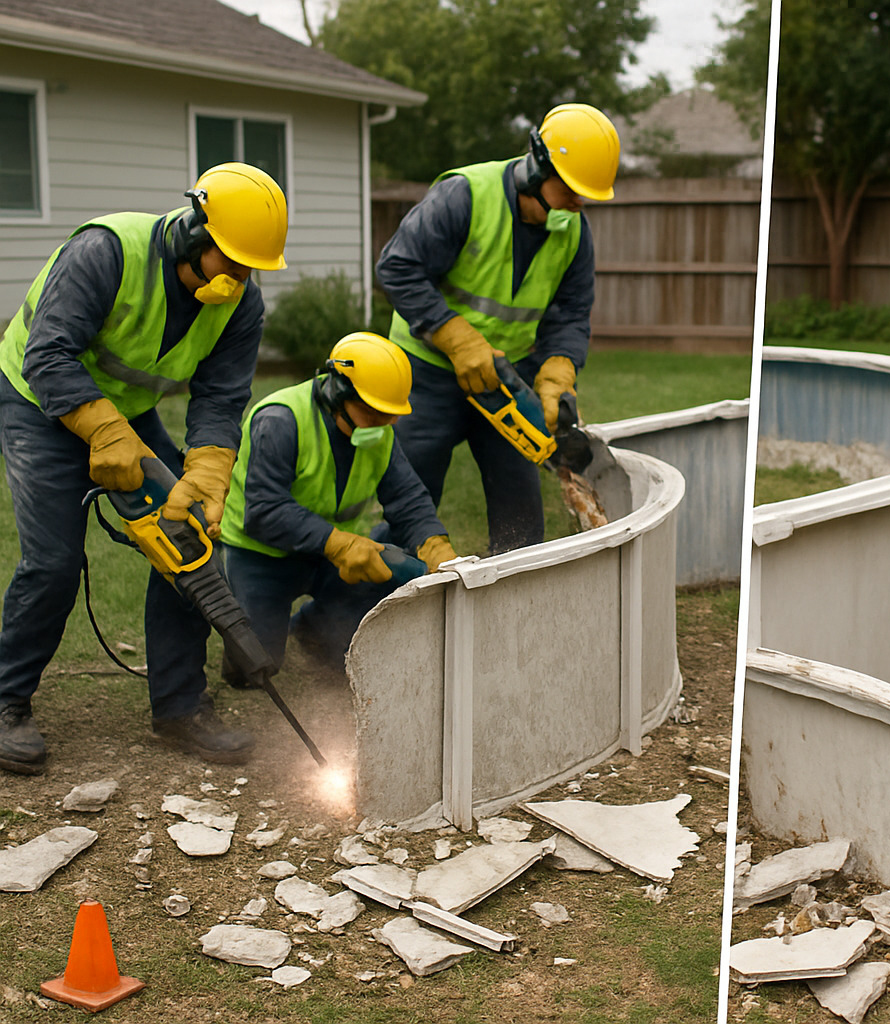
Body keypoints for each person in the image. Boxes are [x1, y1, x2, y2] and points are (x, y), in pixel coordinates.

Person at [0, 162, 288, 772]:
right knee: (53, 562)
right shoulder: (106, 252)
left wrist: (208, 468)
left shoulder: (240, 304)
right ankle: (6, 700)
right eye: (230, 261)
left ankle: (181, 707)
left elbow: (220, 396)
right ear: (193, 233)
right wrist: (102, 430)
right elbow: (46, 355)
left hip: (127, 412)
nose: (238, 279)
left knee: (189, 541)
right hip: (34, 400)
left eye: (249, 269)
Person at [375, 102, 620, 553]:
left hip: (508, 379)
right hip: (426, 374)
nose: (578, 202)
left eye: (585, 194)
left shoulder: (573, 231)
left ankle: (509, 614)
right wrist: (456, 338)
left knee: (520, 514)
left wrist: (557, 372)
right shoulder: (464, 196)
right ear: (537, 167)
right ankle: (352, 616)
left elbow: (570, 311)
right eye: (570, 189)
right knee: (410, 505)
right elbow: (398, 268)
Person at [218, 332, 457, 684]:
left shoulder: (377, 430)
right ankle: (262, 631)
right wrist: (340, 543)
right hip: (262, 554)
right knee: (253, 670)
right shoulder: (281, 421)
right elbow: (265, 512)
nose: (383, 423)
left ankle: (311, 627)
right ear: (337, 392)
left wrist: (436, 547)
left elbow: (407, 498)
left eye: (389, 415)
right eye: (374, 412)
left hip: (327, 552)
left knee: (344, 646)